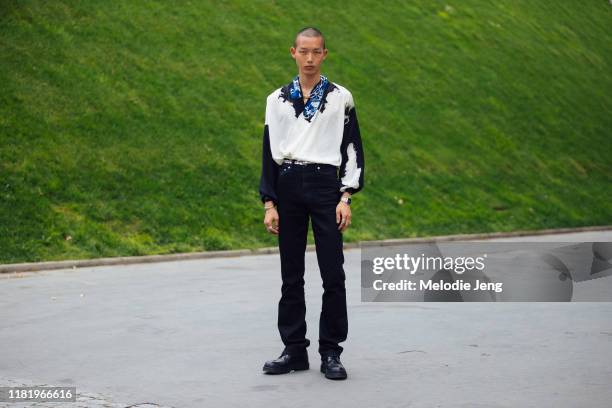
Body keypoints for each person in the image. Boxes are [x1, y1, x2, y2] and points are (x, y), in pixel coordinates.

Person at [258, 27, 365, 380]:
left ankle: (331, 352)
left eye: (315, 52)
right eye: (303, 51)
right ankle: (294, 350)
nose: (309, 58)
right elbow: (268, 154)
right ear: (292, 52)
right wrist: (269, 202)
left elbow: (352, 147)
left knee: (333, 272)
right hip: (288, 185)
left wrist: (345, 196)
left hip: (324, 186)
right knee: (292, 273)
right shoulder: (276, 100)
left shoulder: (340, 98)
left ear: (324, 54)